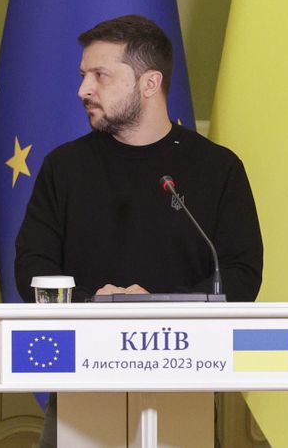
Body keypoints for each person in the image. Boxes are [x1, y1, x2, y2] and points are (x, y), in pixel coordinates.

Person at [15, 15, 263, 302]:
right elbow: (32, 266)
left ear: (149, 84)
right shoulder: (64, 167)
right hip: (83, 340)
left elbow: (241, 273)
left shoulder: (218, 168)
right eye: (83, 75)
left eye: (100, 75)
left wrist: (161, 306)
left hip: (187, 342)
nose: (83, 90)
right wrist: (90, 303)